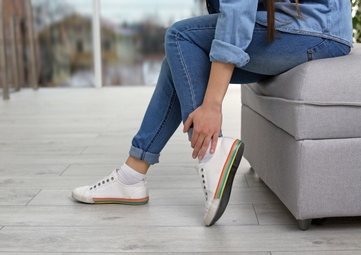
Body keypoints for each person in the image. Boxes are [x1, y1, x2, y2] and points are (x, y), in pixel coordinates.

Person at [72, 0, 353, 226]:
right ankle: (131, 176)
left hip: (315, 28)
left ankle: (211, 154)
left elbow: (238, 9)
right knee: (180, 56)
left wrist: (212, 105)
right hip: (307, 24)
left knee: (181, 37)